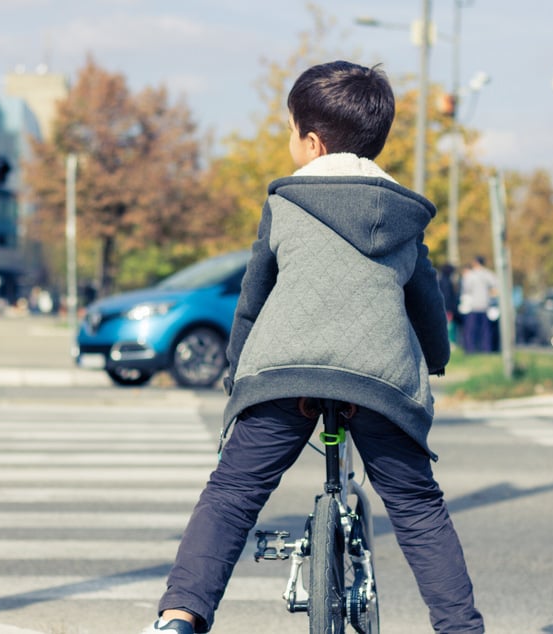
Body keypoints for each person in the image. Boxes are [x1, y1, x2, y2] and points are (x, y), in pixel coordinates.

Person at [141, 61, 483, 634]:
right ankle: (461, 629)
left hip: (284, 370)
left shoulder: (286, 203)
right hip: (380, 381)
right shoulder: (406, 214)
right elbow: (426, 301)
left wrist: (238, 372)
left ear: (313, 142)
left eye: (289, 131)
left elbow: (254, 295)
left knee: (231, 493)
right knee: (419, 509)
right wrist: (437, 357)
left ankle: (179, 617)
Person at [460, 255, 497, 353]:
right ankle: (486, 349)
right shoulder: (488, 274)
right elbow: (496, 287)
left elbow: (465, 289)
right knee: (485, 331)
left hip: (472, 306)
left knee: (470, 330)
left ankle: (470, 349)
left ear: (475, 262)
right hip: (485, 305)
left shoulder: (470, 275)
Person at [438, 262, 460, 344]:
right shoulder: (447, 282)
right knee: (449, 325)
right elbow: (448, 297)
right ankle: (450, 341)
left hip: (442, 306)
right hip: (447, 307)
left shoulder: (440, 280)